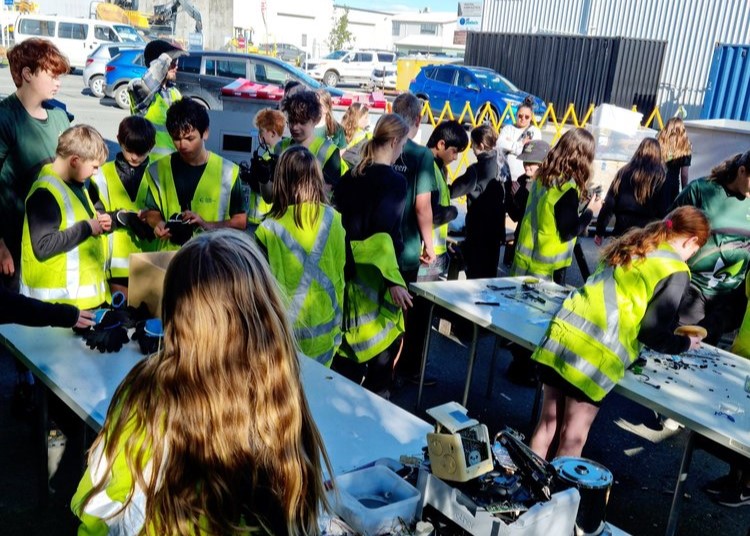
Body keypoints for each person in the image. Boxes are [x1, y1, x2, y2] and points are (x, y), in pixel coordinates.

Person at [71, 230, 332, 535]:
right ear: (267, 317)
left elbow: (97, 509)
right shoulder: (278, 398)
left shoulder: (144, 396)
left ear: (173, 318)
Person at [529, 206, 710, 460]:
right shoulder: (675, 269)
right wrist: (685, 343)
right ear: (692, 241)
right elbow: (652, 332)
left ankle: (524, 491)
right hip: (592, 355)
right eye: (696, 249)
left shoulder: (636, 244)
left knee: (547, 426)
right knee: (572, 437)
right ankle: (559, 499)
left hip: (562, 334)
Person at [333, 113, 412, 396]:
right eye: (403, 144)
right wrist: (394, 281)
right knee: (379, 369)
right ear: (393, 141)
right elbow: (385, 238)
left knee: (345, 364)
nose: (402, 150)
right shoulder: (394, 182)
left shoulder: (349, 177)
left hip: (345, 276)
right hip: (378, 285)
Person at [255, 146, 346, 367]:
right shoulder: (334, 219)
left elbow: (258, 292)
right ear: (316, 178)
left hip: (283, 338)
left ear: (280, 179)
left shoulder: (267, 229)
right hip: (327, 331)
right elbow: (341, 268)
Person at [0, 38, 71, 291]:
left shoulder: (60, 115)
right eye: (52, 75)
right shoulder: (5, 118)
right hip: (13, 243)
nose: (58, 82)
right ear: (27, 74)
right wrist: (1, 246)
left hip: (51, 239)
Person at [20, 125, 110, 310]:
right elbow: (44, 246)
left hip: (79, 305)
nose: (96, 173)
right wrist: (87, 227)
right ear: (75, 161)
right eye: (94, 167)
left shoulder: (76, 183)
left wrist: (99, 220)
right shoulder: (45, 192)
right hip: (56, 307)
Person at [143, 98, 246, 249]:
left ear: (205, 133)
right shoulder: (158, 169)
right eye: (176, 139)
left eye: (190, 138)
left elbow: (241, 221)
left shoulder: (228, 171)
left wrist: (207, 224)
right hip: (171, 261)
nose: (182, 145)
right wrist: (159, 224)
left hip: (213, 259)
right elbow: (152, 212)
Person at [672, 150, 750, 344]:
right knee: (682, 345)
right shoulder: (702, 190)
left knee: (705, 351)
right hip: (693, 290)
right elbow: (669, 230)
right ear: (742, 171)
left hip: (727, 300)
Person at [512, 128, 600, 284]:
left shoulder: (542, 177)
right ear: (583, 158)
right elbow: (569, 232)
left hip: (523, 261)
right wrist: (591, 212)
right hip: (545, 272)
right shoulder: (566, 189)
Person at [391, 92, 437, 382]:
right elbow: (423, 207)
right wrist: (430, 246)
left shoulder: (379, 146)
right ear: (418, 120)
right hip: (406, 248)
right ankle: (393, 373)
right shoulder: (421, 156)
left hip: (376, 245)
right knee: (403, 316)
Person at [91, 116, 157, 297]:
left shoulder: (159, 174)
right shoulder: (100, 174)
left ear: (151, 147)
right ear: (119, 140)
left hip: (150, 262)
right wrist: (118, 218)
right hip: (114, 268)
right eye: (129, 150)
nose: (134, 156)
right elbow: (94, 213)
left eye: (141, 152)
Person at [450, 125, 505, 279]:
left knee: (474, 278)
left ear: (480, 145)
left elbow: (453, 190)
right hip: (496, 232)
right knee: (488, 279)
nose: (472, 149)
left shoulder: (476, 169)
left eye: (472, 145)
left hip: (478, 234)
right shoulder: (502, 164)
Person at [594, 138, 669, 245]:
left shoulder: (624, 172)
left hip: (622, 229)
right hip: (647, 232)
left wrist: (599, 230)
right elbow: (664, 209)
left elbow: (609, 204)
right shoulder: (661, 177)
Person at [276, 90, 346, 194]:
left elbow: (329, 193)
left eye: (302, 122)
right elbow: (270, 196)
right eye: (292, 121)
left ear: (316, 120)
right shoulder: (280, 147)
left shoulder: (329, 151)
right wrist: (263, 182)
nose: (295, 127)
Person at [423, 120, 466, 280]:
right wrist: (452, 212)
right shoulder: (429, 168)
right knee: (422, 300)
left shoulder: (437, 167)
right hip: (427, 254)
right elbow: (431, 213)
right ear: (441, 144)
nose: (455, 158)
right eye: (454, 151)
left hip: (434, 250)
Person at [128, 39, 185, 159]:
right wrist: (165, 59)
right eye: (172, 62)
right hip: (147, 167)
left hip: (170, 165)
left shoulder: (174, 93)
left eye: (176, 62)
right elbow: (146, 87)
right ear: (158, 64)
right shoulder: (137, 87)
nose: (176, 66)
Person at [504, 139, 550, 266]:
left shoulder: (547, 184)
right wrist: (508, 197)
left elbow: (539, 213)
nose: (526, 165)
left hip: (537, 242)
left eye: (532, 162)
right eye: (525, 161)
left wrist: (521, 195)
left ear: (543, 163)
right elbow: (516, 216)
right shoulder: (522, 179)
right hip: (521, 236)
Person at [247, 108, 284, 230]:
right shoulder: (269, 155)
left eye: (261, 131)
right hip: (261, 218)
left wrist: (251, 179)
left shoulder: (273, 157)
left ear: (272, 133)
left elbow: (267, 185)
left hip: (264, 219)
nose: (259, 135)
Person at [496, 103, 542, 180]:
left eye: (527, 117)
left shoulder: (535, 131)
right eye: (520, 116)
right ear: (516, 115)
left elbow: (529, 153)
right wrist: (520, 144)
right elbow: (499, 144)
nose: (523, 118)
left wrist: (510, 144)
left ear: (531, 118)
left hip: (523, 177)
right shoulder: (507, 128)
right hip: (504, 175)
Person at [657, 117, 692, 203]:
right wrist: (684, 191)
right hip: (672, 185)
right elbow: (684, 174)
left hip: (657, 182)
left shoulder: (659, 142)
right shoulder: (686, 147)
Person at [341, 102, 371, 168]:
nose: (367, 120)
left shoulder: (342, 132)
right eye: (365, 117)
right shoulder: (361, 136)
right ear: (357, 118)